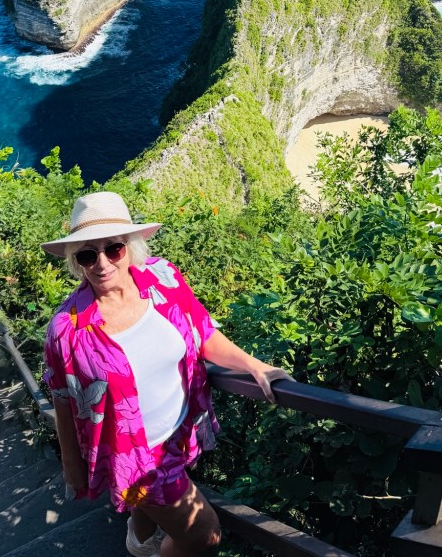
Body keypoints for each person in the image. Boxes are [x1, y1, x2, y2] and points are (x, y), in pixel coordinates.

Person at [41, 190, 291, 557]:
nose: (102, 264)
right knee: (204, 534)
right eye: (88, 254)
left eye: (113, 249)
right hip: (135, 458)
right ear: (77, 262)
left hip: (182, 430)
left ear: (130, 246)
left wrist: (255, 366)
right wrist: (71, 466)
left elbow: (202, 332)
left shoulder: (162, 279)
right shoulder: (68, 329)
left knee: (151, 516)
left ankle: (139, 541)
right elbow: (62, 399)